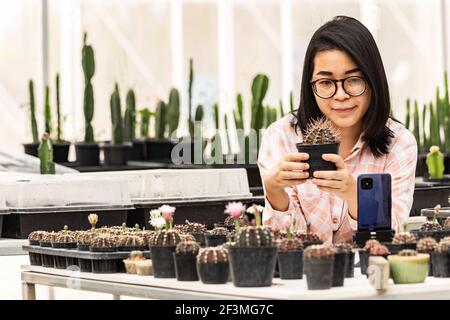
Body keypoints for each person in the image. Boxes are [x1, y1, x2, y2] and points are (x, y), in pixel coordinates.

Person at [257, 16, 417, 243]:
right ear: (310, 86)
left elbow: (393, 238)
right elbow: (284, 249)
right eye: (325, 82)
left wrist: (356, 197)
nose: (340, 95)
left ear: (373, 80)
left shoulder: (399, 144)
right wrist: (274, 193)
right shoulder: (280, 137)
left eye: (353, 80)